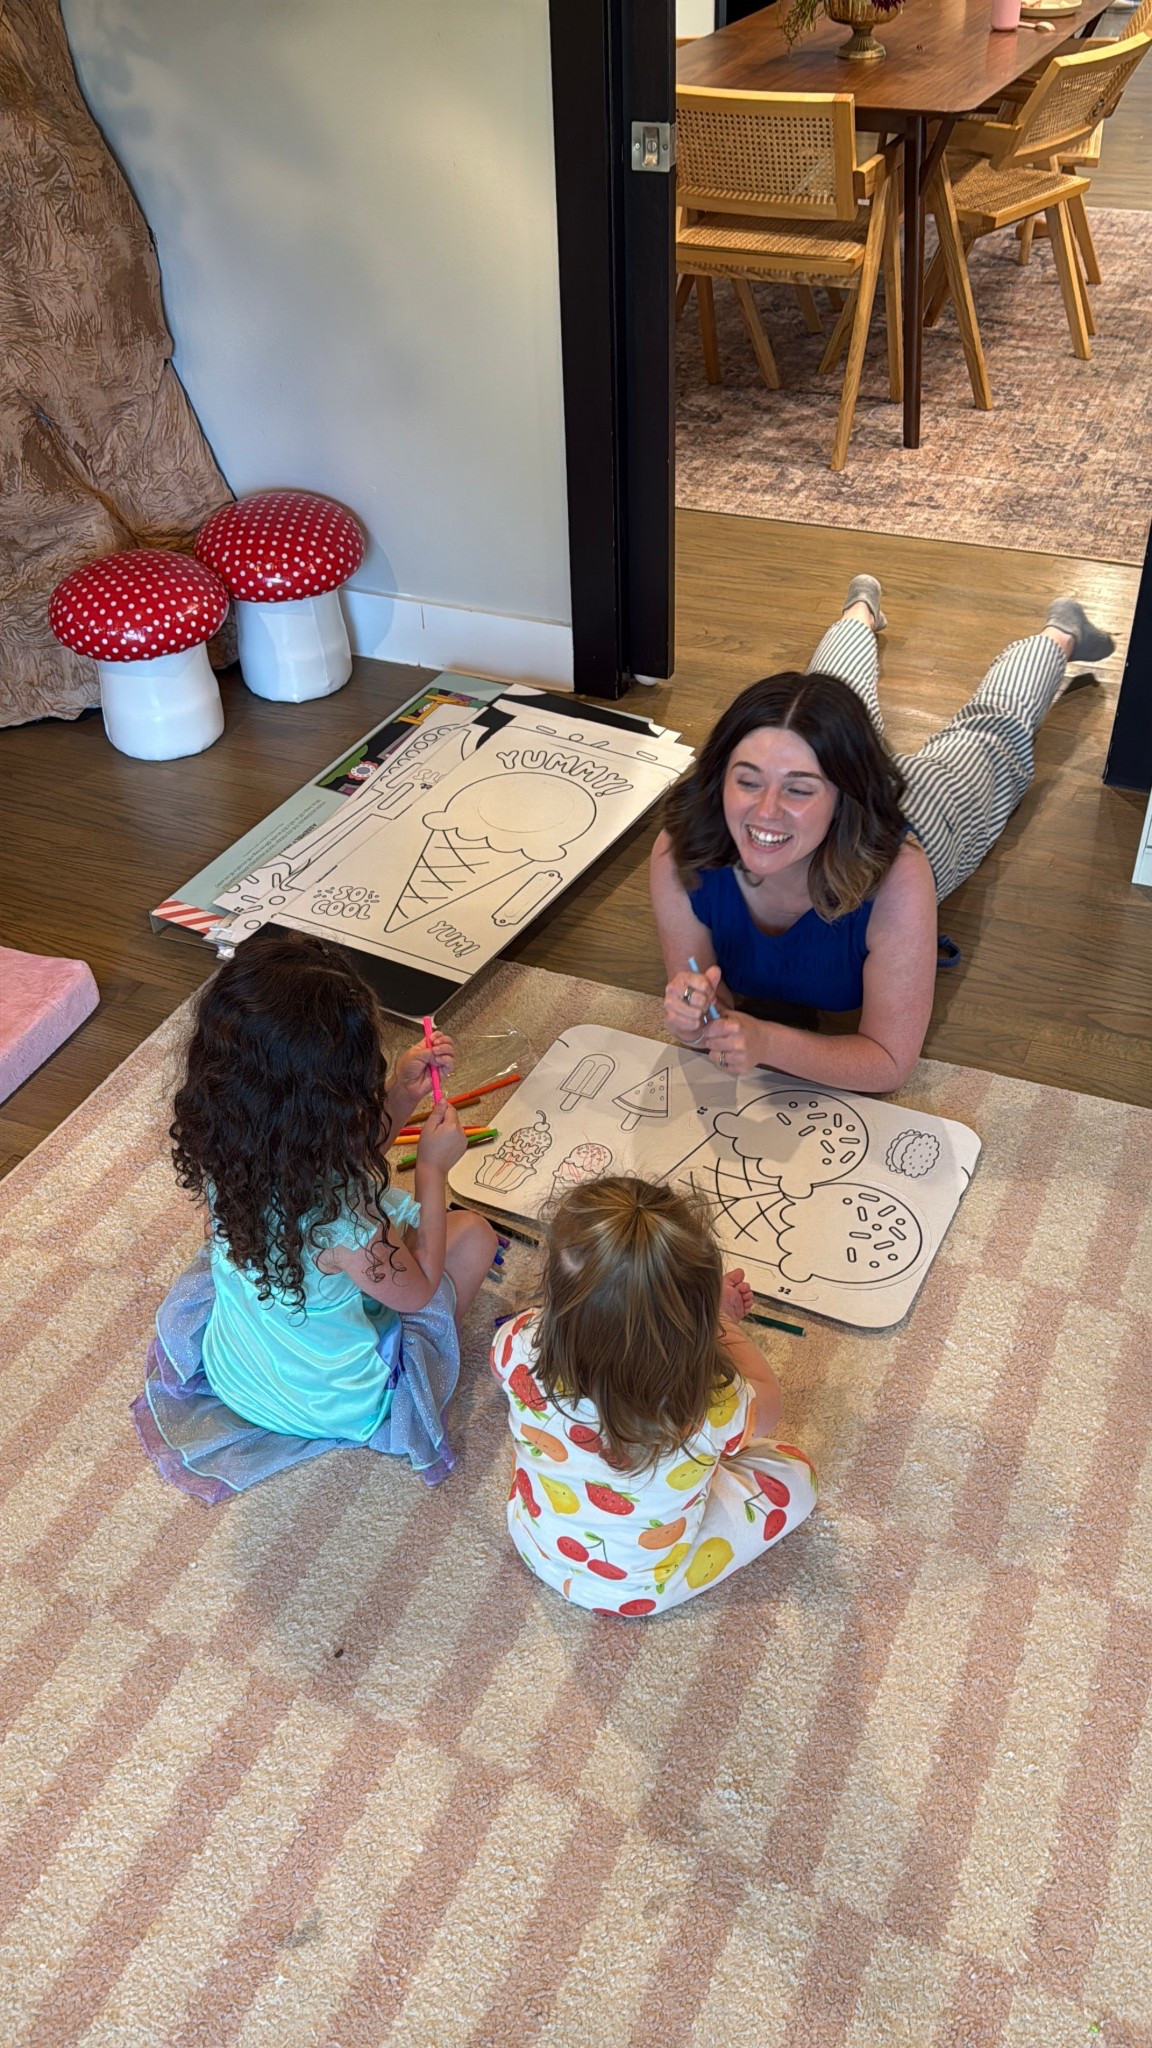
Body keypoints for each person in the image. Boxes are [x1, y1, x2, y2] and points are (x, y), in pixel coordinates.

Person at [651, 577, 1116, 1095]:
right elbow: (705, 998)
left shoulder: (898, 872)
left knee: (990, 733)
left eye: (799, 790)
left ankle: (1058, 634)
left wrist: (767, 1042)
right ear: (722, 778)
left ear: (845, 794)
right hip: (845, 795)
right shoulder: (683, 846)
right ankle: (860, 610)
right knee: (825, 696)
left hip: (920, 814)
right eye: (748, 780)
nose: (766, 812)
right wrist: (696, 1017)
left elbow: (889, 1062)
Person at [133, 927, 497, 1503]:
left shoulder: (225, 1147)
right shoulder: (347, 1220)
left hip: (240, 1373)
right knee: (474, 1235)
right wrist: (431, 1171)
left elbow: (337, 1151)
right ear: (327, 1104)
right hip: (341, 1400)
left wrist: (401, 1094)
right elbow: (419, 1291)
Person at [491, 1176, 816, 1617]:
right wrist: (726, 1325)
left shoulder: (519, 1342)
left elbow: (505, 1368)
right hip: (639, 1590)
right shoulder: (712, 1403)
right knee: (796, 1473)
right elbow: (770, 1407)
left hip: (533, 1541)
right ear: (696, 1318)